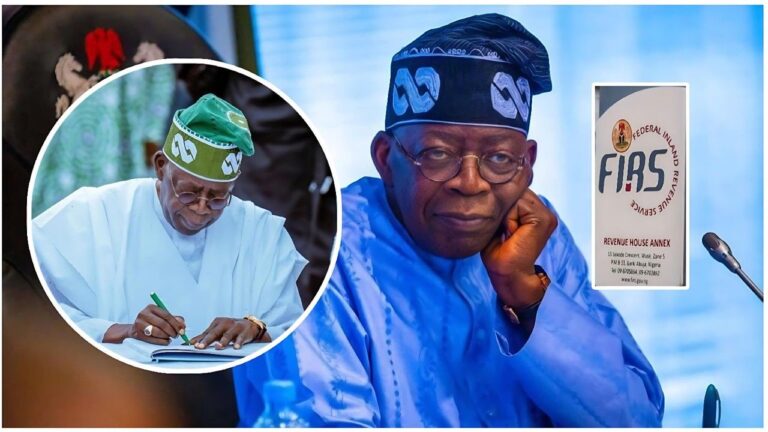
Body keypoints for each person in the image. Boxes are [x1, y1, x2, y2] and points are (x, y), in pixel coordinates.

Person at [233, 14, 664, 427]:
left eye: (499, 158)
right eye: (437, 154)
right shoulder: (314, 260)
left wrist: (528, 295)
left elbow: (637, 420)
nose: (471, 184)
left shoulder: (536, 235)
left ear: (527, 165)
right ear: (386, 158)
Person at [32, 93, 307, 351]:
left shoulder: (260, 231)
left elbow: (295, 332)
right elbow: (32, 310)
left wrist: (255, 329)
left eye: (218, 198)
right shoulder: (94, 214)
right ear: (161, 167)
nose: (201, 209)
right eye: (188, 192)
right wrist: (125, 331)